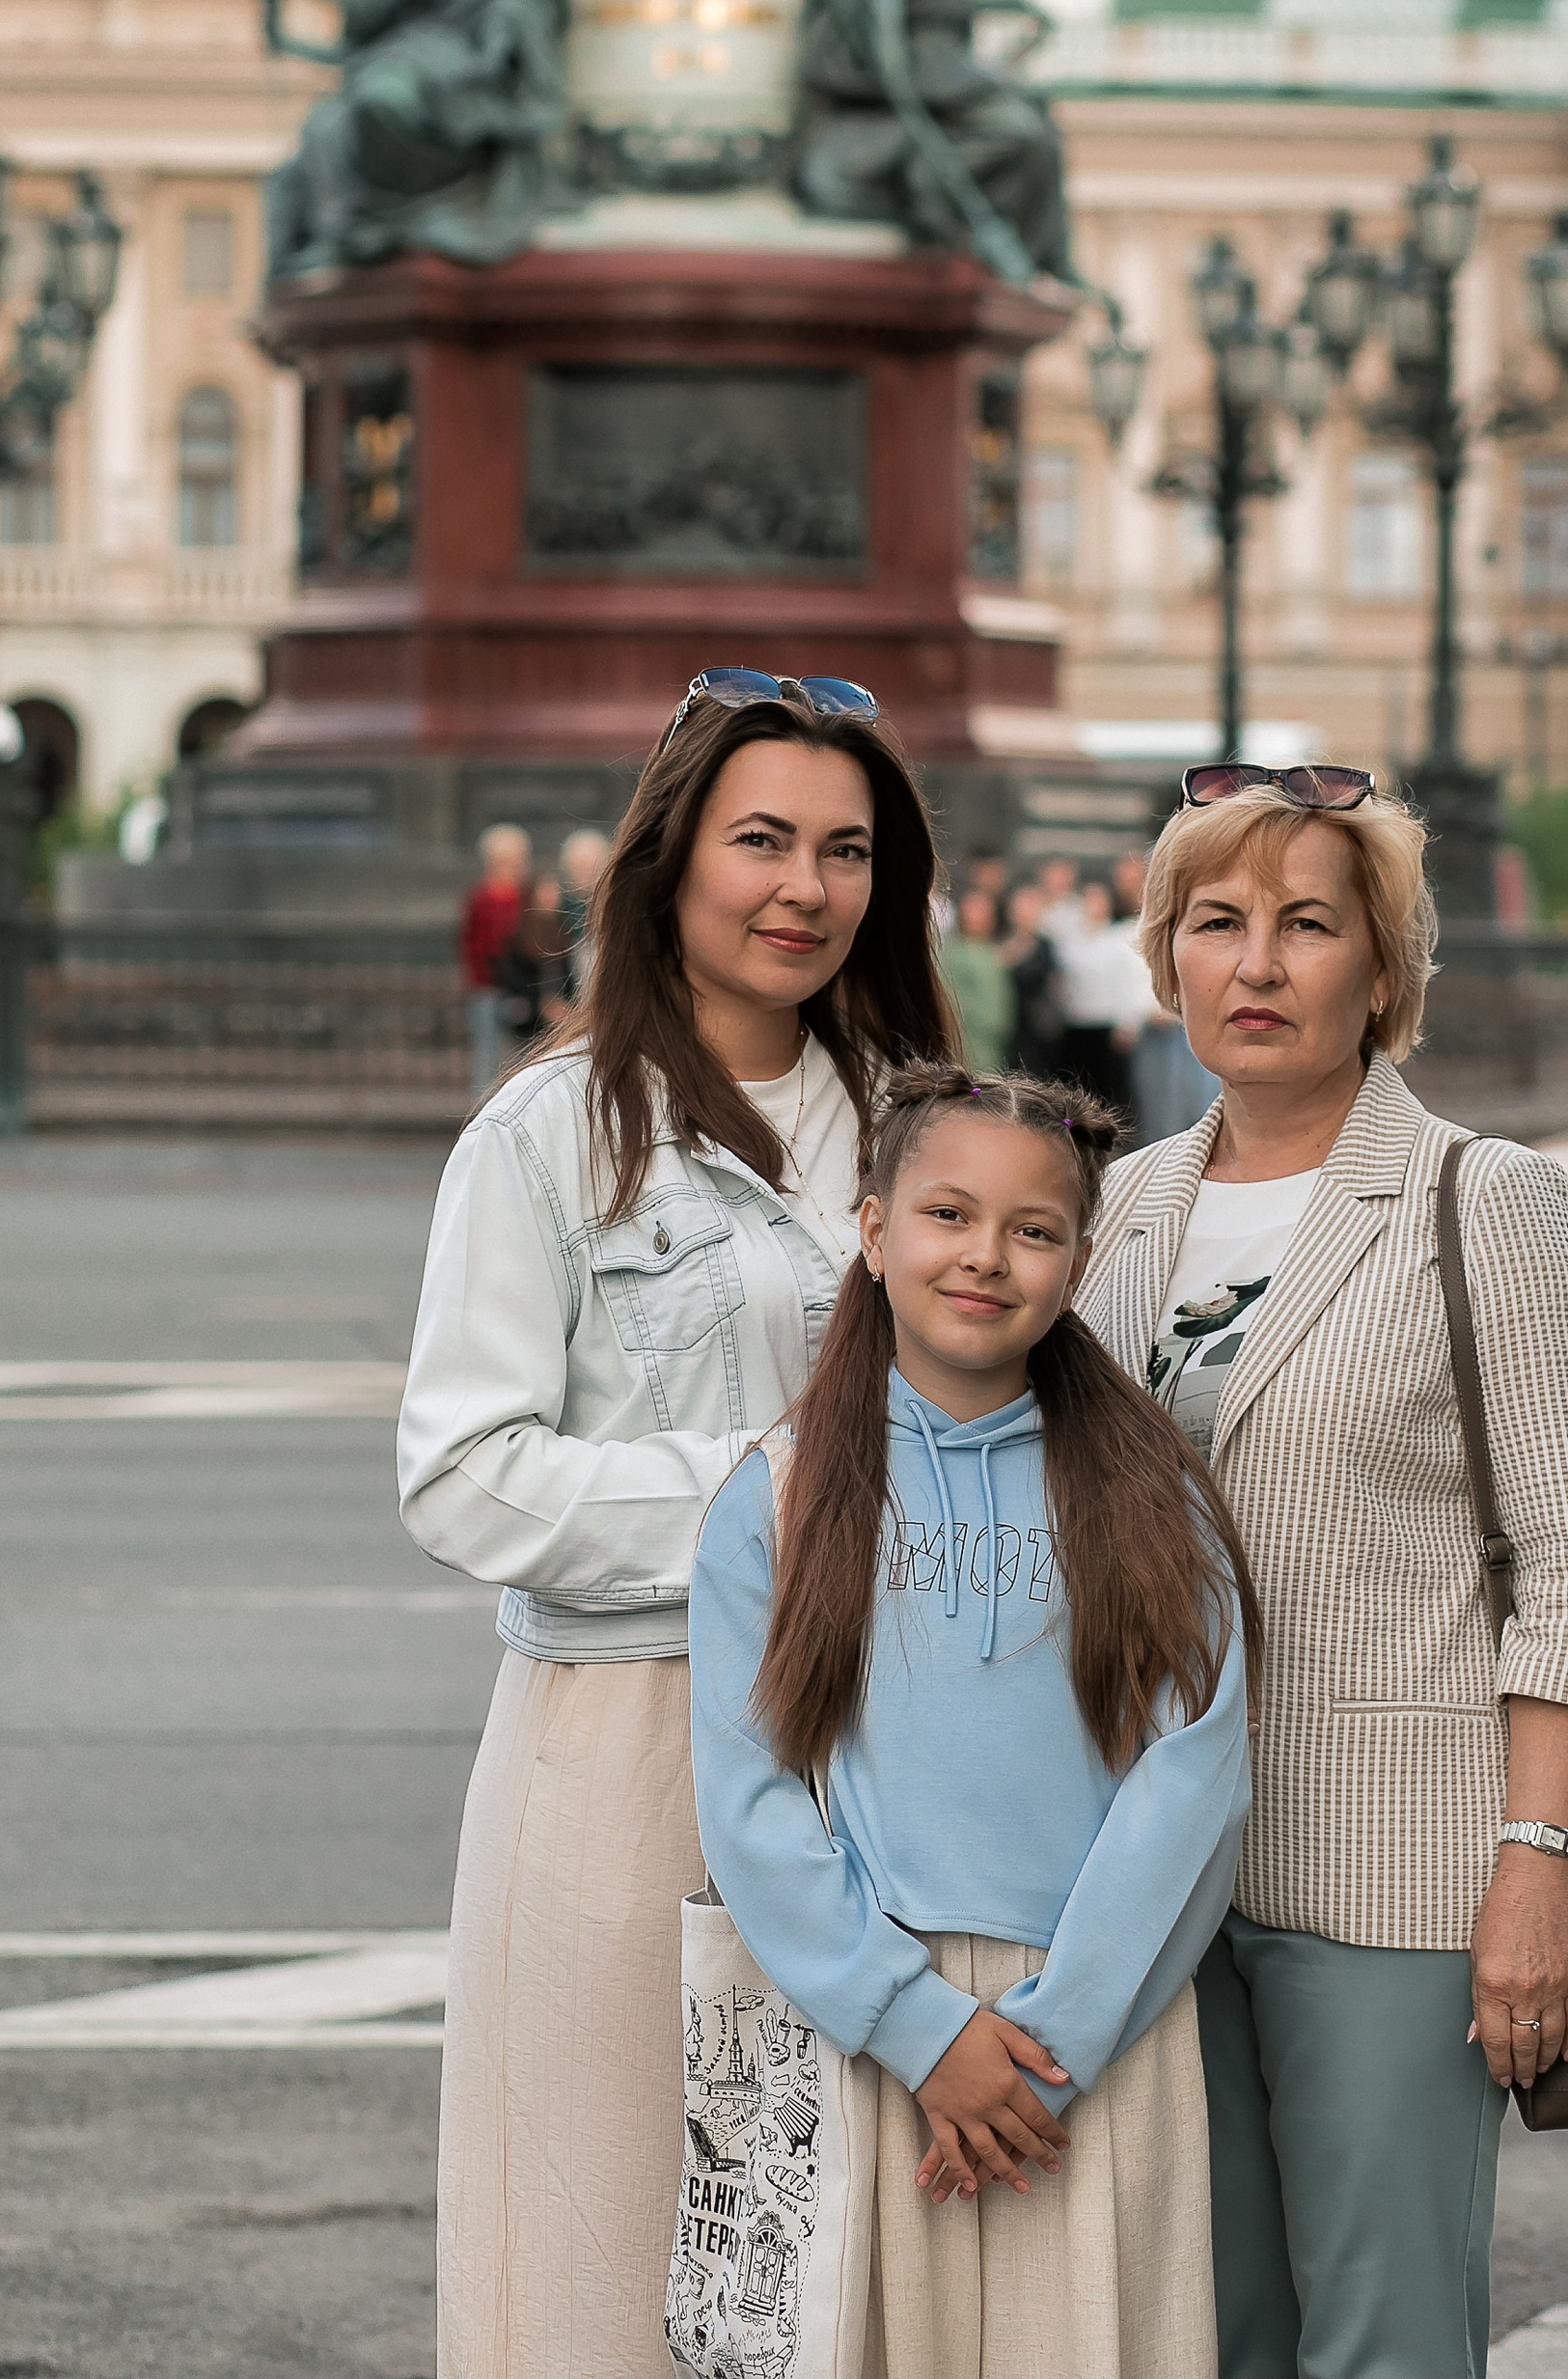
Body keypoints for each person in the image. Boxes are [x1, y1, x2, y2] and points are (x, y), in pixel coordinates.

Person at [399, 673, 956, 2379]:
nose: (805, 887)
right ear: (671, 865)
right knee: (598, 2256)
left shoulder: (923, 1124)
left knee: (856, 2270)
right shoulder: (551, 1139)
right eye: (763, 840)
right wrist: (772, 1507)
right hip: (624, 1745)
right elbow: (460, 1471)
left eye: (846, 850)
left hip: (896, 1748)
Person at [1076, 767, 1568, 2379]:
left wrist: (1539, 1863)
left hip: (1394, 1873)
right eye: (1216, 922)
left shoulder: (1485, 1199)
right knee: (1214, 2333)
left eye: (1306, 925)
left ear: (1380, 971)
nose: (1255, 964)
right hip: (1146, 1874)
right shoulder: (1115, 1209)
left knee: (1383, 2339)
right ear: (1167, 957)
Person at [689, 1064, 1254, 2377]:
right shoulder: (772, 1502)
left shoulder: (1150, 1496)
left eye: (1034, 1229)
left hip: (1097, 2035)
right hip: (876, 2029)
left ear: (1078, 1261)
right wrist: (921, 2030)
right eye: (948, 1215)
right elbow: (751, 1802)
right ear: (874, 1230)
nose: (986, 1257)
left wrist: (1048, 2047)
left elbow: (1194, 1777)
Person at [1115, 845, 1219, 1141]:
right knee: (1155, 1106)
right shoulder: (1128, 930)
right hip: (1149, 1030)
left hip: (1180, 1026)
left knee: (1192, 1104)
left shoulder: (1184, 924)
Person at [1053, 875, 1149, 1125]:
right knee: (1076, 1090)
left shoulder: (1118, 939)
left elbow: (1127, 983)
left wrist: (1128, 1022)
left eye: (1099, 899)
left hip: (1106, 1026)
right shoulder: (1069, 942)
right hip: (1075, 1025)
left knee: (1108, 1092)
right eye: (1089, 899)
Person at [457, 823, 531, 1099]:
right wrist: (478, 979)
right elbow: (469, 940)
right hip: (487, 987)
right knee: (487, 1055)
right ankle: (483, 1111)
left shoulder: (527, 896)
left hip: (521, 986)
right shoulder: (481, 896)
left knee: (523, 1053)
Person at [492, 871, 574, 1049]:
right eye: (546, 892)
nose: (551, 898)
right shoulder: (519, 934)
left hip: (556, 1019)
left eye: (554, 893)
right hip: (526, 1017)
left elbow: (566, 975)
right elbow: (511, 976)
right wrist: (541, 1003)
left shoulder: (562, 931)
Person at [939, 882, 1015, 1071]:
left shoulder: (994, 951)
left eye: (985, 910)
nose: (980, 915)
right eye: (973, 909)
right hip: (966, 1039)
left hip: (997, 1042)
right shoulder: (952, 953)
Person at [1003, 880, 1065, 1076]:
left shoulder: (1046, 945)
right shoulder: (1001, 943)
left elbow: (1049, 980)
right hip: (1008, 1022)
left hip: (1039, 1026)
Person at [557, 822, 611, 994]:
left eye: (591, 868)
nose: (585, 875)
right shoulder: (559, 906)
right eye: (579, 868)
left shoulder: (610, 904)